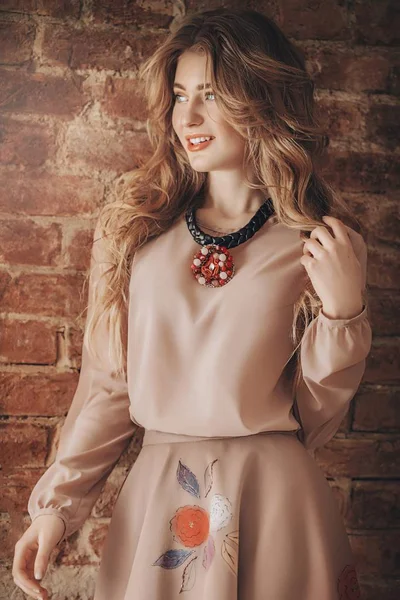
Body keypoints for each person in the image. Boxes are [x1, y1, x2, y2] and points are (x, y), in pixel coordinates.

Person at [12, 8, 372, 600]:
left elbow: (315, 417)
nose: (190, 117)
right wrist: (56, 508)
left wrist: (342, 314)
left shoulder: (320, 244)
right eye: (180, 96)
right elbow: (107, 386)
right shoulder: (135, 235)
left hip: (276, 502)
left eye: (211, 94)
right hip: (162, 496)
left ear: (262, 100)